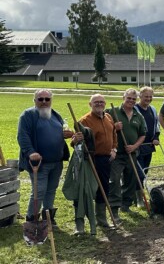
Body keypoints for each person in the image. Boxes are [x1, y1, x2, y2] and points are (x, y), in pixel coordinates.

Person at [18, 89, 73, 228]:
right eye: (40, 99)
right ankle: (31, 219)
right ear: (34, 100)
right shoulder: (28, 115)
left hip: (56, 161)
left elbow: (58, 133)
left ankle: (47, 217)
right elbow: (22, 136)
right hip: (39, 162)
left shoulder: (55, 115)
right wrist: (30, 152)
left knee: (51, 189)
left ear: (51, 100)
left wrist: (66, 135)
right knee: (39, 190)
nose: (44, 102)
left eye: (47, 99)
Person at [73, 94, 118, 232]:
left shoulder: (108, 117)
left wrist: (114, 149)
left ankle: (101, 219)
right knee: (85, 190)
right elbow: (76, 143)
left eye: (101, 102)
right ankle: (80, 223)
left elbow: (114, 136)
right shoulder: (84, 121)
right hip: (89, 160)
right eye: (96, 102)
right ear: (90, 104)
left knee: (103, 188)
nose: (99, 104)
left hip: (105, 159)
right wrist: (75, 140)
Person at [107, 89, 146, 222]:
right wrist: (113, 126)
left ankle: (126, 204)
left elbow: (143, 134)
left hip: (131, 153)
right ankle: (114, 208)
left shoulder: (138, 116)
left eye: (134, 99)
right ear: (123, 97)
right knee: (115, 180)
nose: (131, 101)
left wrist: (134, 146)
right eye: (129, 98)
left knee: (130, 180)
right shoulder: (112, 112)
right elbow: (102, 127)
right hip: (116, 153)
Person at [134, 87, 160, 207]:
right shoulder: (134, 109)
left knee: (144, 172)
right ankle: (139, 199)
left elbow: (156, 125)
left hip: (148, 145)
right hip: (137, 146)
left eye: (150, 96)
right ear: (140, 96)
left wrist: (156, 137)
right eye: (146, 97)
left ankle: (138, 196)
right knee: (138, 173)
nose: (148, 99)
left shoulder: (153, 109)